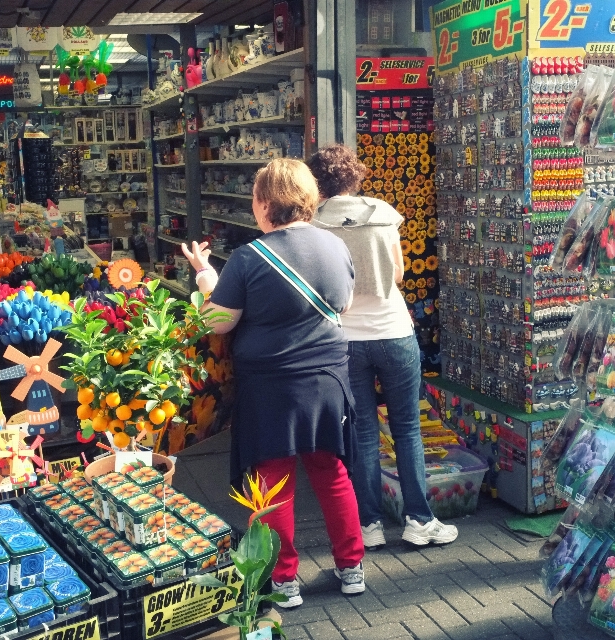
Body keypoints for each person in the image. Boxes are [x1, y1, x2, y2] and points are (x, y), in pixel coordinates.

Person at [181, 158, 365, 608]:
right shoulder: (335, 247)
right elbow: (342, 302)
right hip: (327, 377)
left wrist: (206, 276)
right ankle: (351, 568)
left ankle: (284, 580)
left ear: (264, 203)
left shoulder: (249, 257)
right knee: (332, 471)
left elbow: (219, 322)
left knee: (273, 478)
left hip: (271, 384)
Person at [307, 144, 458, 549]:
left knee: (363, 432)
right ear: (355, 175)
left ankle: (369, 525)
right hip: (392, 330)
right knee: (407, 428)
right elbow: (399, 271)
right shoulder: (383, 213)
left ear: (317, 183)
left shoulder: (315, 224)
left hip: (346, 339)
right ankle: (419, 520)